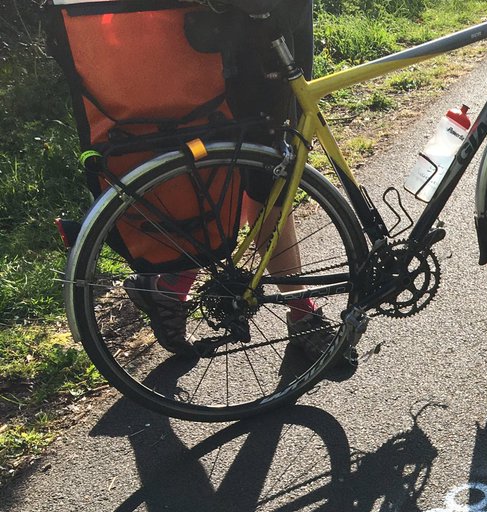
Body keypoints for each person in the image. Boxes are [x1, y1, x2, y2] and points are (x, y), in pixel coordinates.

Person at [124, 0, 341, 366]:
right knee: (269, 178)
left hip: (253, 26)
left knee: (250, 168)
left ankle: (172, 284)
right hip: (252, 31)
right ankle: (301, 313)